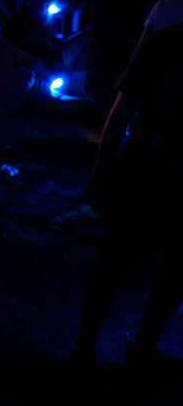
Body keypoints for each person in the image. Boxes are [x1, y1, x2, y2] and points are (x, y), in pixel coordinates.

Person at [73, 23, 183, 369]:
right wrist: (100, 173)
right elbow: (122, 109)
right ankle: (110, 345)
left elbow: (122, 109)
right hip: (148, 167)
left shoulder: (167, 39)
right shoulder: (166, 40)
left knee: (130, 264)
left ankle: (96, 344)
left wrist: (100, 173)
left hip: (147, 164)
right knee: (127, 263)